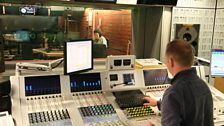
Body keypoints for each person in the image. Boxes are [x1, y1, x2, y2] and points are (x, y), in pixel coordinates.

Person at [144, 39, 214, 126]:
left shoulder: (173, 94)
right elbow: (187, 106)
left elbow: (178, 101)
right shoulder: (204, 86)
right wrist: (159, 103)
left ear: (171, 61)